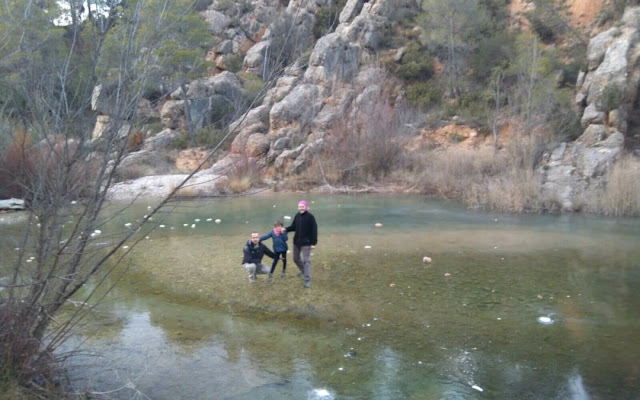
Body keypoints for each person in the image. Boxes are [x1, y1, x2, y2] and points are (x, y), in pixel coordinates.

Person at [285, 200, 317, 288]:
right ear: (298, 207)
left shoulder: (310, 217)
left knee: (306, 261)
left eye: (302, 206)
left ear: (306, 207)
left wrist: (314, 243)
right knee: (295, 258)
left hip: (306, 243)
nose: (301, 208)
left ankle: (307, 279)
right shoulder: (297, 215)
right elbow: (293, 227)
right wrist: (286, 229)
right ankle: (303, 271)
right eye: (299, 206)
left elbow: (314, 230)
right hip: (296, 242)